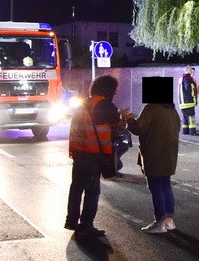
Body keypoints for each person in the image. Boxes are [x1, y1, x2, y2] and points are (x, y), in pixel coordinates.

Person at [65, 75, 125, 238]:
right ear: (109, 90)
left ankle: (71, 221)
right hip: (94, 155)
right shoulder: (106, 106)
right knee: (92, 191)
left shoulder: (84, 103)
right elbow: (120, 126)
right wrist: (125, 117)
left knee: (76, 188)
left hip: (78, 153)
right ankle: (86, 225)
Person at [123, 76, 181, 234]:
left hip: (154, 155)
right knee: (166, 186)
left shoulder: (150, 108)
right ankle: (169, 221)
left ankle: (159, 222)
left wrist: (129, 119)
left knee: (155, 188)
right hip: (169, 155)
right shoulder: (171, 109)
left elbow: (139, 129)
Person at [178, 66, 198, 135]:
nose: (192, 71)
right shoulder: (188, 79)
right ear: (188, 70)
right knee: (191, 117)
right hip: (189, 102)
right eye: (191, 70)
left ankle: (185, 131)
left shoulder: (181, 78)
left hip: (182, 103)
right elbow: (189, 89)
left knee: (185, 118)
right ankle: (193, 132)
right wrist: (194, 98)